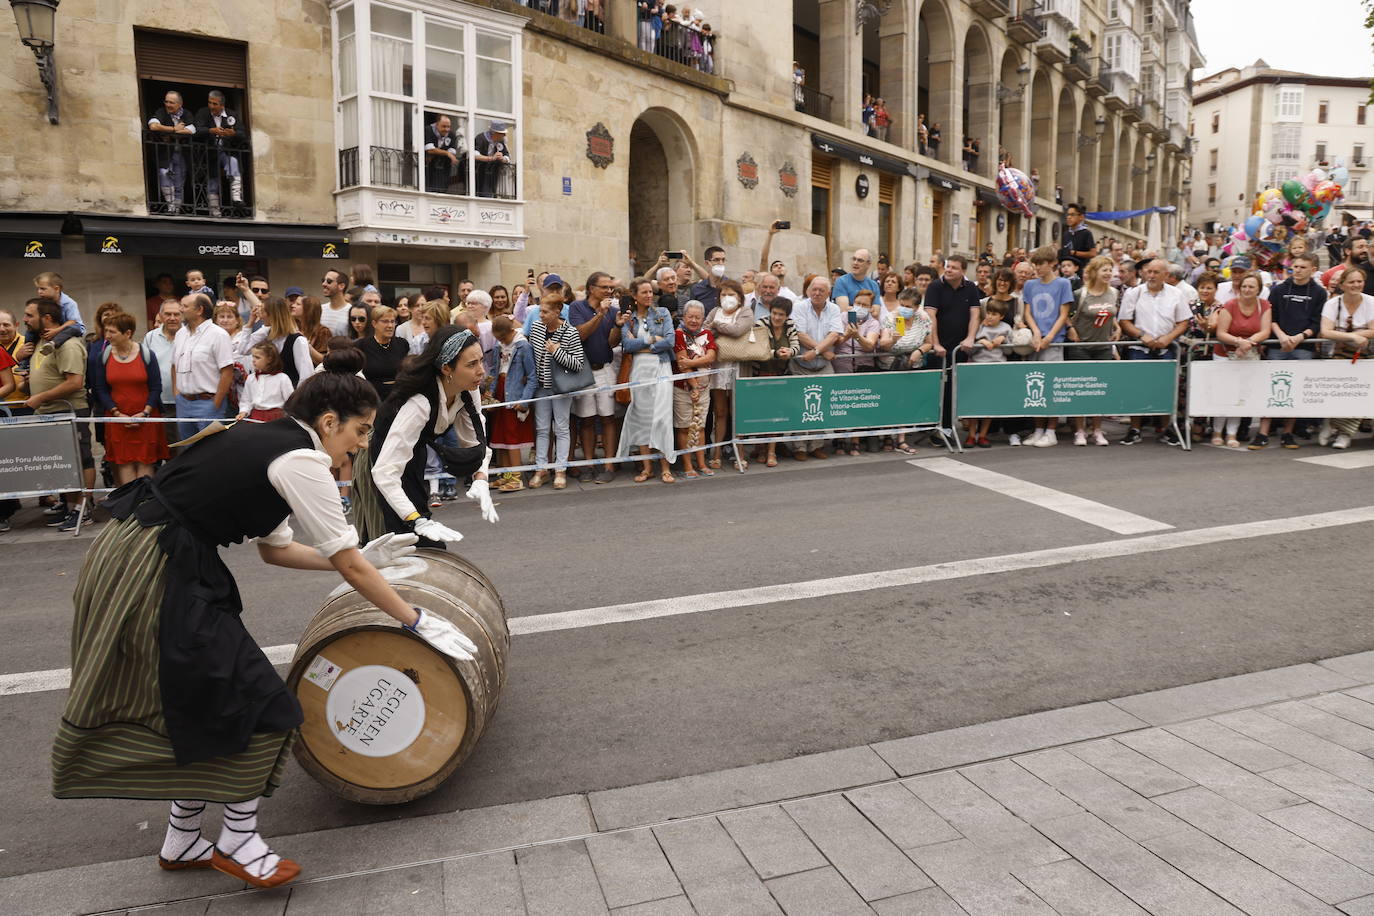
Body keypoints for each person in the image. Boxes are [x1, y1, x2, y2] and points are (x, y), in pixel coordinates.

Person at [52, 354, 478, 890]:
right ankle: (237, 840)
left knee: (208, 698)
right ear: (329, 421)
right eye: (361, 430)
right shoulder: (301, 460)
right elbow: (345, 564)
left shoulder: (271, 440)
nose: (363, 443)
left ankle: (183, 839)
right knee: (258, 701)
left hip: (144, 554)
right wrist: (414, 619)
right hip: (155, 567)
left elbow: (276, 552)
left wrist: (365, 554)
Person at [351, 326, 497, 548]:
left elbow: (476, 442)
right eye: (471, 364)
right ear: (447, 368)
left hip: (413, 453)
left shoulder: (469, 387)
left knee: (421, 537)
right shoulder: (419, 403)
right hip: (380, 457)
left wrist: (481, 478)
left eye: (480, 361)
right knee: (396, 540)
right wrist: (415, 519)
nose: (481, 371)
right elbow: (384, 472)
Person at [88, 310, 167, 486]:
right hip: (117, 418)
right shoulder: (104, 356)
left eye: (112, 332)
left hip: (145, 417)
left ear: (128, 333)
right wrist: (117, 414)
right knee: (124, 463)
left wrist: (145, 413)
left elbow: (156, 387)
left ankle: (143, 507)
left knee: (145, 462)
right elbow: (100, 389)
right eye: (106, 330)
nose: (106, 336)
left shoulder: (146, 354)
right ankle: (129, 508)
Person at [1253, 254, 1324, 449]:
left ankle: (1288, 432)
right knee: (1270, 388)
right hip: (1278, 345)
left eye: (1303, 267)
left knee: (1295, 389)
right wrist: (1282, 336)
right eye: (1296, 266)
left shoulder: (1319, 292)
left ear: (1313, 269)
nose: (1298, 270)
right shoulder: (1279, 289)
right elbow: (1271, 316)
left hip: (1303, 346)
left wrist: (1300, 336)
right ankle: (1262, 432)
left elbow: (1317, 322)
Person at [1118, 259, 1190, 445]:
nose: (1151, 276)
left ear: (1166, 275)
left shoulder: (1176, 294)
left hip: (1166, 347)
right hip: (1139, 347)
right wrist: (1142, 335)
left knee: (1166, 389)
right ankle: (1135, 429)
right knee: (1137, 389)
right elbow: (1124, 321)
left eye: (1156, 272)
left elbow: (1183, 322)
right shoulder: (1134, 294)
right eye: (1148, 272)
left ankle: (1166, 428)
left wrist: (1168, 338)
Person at [616, 278, 677, 483]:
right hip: (639, 371)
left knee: (662, 417)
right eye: (644, 292)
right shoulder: (629, 319)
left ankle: (665, 467)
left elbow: (669, 341)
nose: (649, 295)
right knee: (641, 417)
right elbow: (627, 344)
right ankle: (647, 467)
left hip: (661, 367)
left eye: (651, 292)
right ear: (635, 295)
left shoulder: (663, 313)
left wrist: (642, 345)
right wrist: (651, 340)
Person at [568, 271, 623, 483]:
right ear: (591, 288)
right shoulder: (577, 307)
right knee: (587, 419)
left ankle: (609, 465)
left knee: (608, 417)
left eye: (610, 287)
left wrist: (617, 325)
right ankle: (589, 464)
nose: (609, 291)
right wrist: (600, 314)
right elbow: (580, 334)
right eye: (604, 287)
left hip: (605, 369)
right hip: (583, 371)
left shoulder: (613, 310)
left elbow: (611, 342)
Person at [528, 292, 586, 489]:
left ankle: (560, 470)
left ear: (557, 311)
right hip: (541, 387)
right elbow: (530, 357)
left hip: (561, 388)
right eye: (540, 311)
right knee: (542, 428)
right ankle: (541, 468)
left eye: (545, 312)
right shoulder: (536, 328)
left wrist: (556, 352)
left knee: (561, 427)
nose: (541, 315)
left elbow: (578, 364)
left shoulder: (570, 332)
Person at [923, 256, 983, 442]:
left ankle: (947, 428)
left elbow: (975, 315)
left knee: (951, 390)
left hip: (960, 347)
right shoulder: (935, 287)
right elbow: (930, 316)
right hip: (939, 347)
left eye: (954, 268)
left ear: (963, 271)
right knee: (936, 388)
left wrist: (970, 338)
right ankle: (932, 427)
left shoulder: (971, 288)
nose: (948, 270)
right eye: (948, 267)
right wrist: (936, 343)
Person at [1021, 246, 1075, 447]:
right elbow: (1028, 312)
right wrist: (1036, 333)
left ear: (1052, 263)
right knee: (1035, 387)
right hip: (1035, 342)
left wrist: (1050, 336)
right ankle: (1038, 430)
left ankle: (1051, 431)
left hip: (1054, 342)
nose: (1037, 268)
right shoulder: (1030, 285)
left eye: (1041, 264)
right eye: (1035, 264)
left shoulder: (1063, 284)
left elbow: (1063, 314)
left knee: (1051, 387)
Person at [1211, 273, 1272, 448]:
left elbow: (1265, 331)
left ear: (1258, 290)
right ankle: (1217, 431)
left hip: (1248, 353)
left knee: (1239, 394)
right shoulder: (1230, 305)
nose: (1247, 290)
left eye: (1251, 287)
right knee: (1223, 393)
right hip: (1225, 353)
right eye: (1244, 286)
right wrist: (1239, 341)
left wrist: (1248, 343)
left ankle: (1232, 433)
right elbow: (1221, 332)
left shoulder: (1264, 305)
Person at [1319, 267, 1374, 449]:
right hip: (1338, 352)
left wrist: (1357, 336)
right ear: (1342, 285)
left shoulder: (1371, 302)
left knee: (1357, 393)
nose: (1356, 285)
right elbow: (1326, 331)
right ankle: (1330, 423)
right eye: (1351, 282)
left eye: (1359, 281)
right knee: (1338, 390)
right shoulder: (1333, 304)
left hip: (1365, 353)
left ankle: (1345, 434)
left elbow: (1373, 330)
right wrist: (1352, 337)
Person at [1067, 256, 1119, 446]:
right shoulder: (1081, 293)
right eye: (1104, 269)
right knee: (1081, 389)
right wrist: (1070, 329)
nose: (1108, 273)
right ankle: (1079, 430)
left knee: (1100, 390)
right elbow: (1065, 314)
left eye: (1110, 270)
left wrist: (1117, 327)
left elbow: (1110, 313)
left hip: (1103, 347)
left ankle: (1097, 430)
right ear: (1094, 272)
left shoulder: (1113, 292)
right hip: (1081, 347)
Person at [790, 276, 844, 459]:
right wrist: (821, 350)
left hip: (823, 365)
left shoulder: (834, 309)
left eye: (822, 290)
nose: (817, 293)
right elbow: (799, 333)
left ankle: (816, 445)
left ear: (829, 293)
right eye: (814, 289)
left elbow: (834, 334)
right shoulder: (799, 307)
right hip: (800, 364)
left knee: (823, 404)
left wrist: (817, 351)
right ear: (807, 291)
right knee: (800, 405)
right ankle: (799, 447)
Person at [171, 293, 235, 444]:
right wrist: (177, 394)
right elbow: (174, 365)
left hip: (208, 403)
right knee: (188, 451)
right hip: (183, 403)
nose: (180, 309)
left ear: (199, 310)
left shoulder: (218, 334)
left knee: (210, 452)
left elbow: (227, 371)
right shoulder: (180, 334)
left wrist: (216, 403)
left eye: (185, 306)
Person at [484, 314, 536, 492]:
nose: (501, 341)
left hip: (514, 394)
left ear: (512, 331)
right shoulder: (500, 345)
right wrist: (490, 391)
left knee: (512, 437)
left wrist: (524, 401)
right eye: (498, 338)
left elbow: (532, 377)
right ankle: (505, 475)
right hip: (500, 392)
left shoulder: (523, 346)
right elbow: (494, 369)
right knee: (500, 437)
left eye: (504, 337)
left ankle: (516, 477)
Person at [672, 301, 717, 477]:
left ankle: (701, 463)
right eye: (690, 316)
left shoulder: (707, 334)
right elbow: (682, 364)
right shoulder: (678, 335)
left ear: (703, 319)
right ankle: (688, 465)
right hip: (683, 388)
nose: (693, 320)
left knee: (700, 427)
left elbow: (711, 356)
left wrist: (692, 362)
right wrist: (694, 386)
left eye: (697, 317)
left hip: (704, 387)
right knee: (684, 427)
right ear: (684, 317)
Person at [963, 299, 1011, 448]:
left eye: (994, 314)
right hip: (978, 367)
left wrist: (1003, 340)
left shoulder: (1006, 328)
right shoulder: (979, 327)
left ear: (1001, 316)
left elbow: (1010, 351)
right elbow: (968, 349)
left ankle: (983, 435)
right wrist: (981, 341)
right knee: (975, 404)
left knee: (988, 404)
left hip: (996, 369)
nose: (990, 316)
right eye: (988, 313)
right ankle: (971, 435)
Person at [194, 90, 245, 215]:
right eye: (210, 103)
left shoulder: (231, 115)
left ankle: (236, 197)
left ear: (222, 105)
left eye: (215, 104)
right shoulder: (203, 112)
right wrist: (211, 130)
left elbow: (243, 134)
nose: (211, 106)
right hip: (208, 153)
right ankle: (215, 210)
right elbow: (196, 130)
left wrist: (233, 133)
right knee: (213, 180)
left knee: (233, 162)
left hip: (226, 151)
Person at [147, 90, 196, 213]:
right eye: (166, 101)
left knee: (179, 181)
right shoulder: (161, 112)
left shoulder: (187, 114)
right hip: (166, 153)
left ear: (180, 104)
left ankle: (177, 209)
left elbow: (192, 130)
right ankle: (171, 205)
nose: (168, 104)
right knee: (164, 173)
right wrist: (174, 129)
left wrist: (168, 132)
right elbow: (153, 125)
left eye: (171, 102)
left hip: (182, 154)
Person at [357, 305, 409, 400]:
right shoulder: (362, 345)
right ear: (374, 324)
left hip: (399, 396)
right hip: (373, 397)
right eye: (385, 321)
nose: (390, 326)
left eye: (392, 322)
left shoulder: (402, 344)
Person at [235, 342, 295, 423]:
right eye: (253, 357)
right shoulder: (251, 378)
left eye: (257, 357)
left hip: (276, 417)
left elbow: (291, 401)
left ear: (269, 359)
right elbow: (246, 400)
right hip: (255, 416)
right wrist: (243, 412)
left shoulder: (282, 378)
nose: (253, 360)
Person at [424, 114, 465, 194]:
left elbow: (452, 153)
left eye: (448, 126)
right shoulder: (428, 130)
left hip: (443, 171)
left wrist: (437, 152)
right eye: (444, 126)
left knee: (441, 191)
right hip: (428, 169)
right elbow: (429, 149)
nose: (447, 129)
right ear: (437, 124)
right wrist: (446, 153)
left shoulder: (451, 135)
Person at [474, 121, 513, 198]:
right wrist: (491, 158)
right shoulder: (480, 138)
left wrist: (502, 158)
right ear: (495, 133)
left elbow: (507, 157)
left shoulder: (501, 142)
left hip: (494, 174)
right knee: (483, 194)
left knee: (492, 193)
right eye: (502, 133)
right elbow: (474, 155)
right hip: (480, 173)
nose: (504, 135)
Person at [1059, 203, 1097, 269]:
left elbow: (1092, 253)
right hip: (1066, 271)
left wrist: (1074, 253)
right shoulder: (1066, 234)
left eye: (1072, 215)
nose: (1069, 217)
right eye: (1068, 214)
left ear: (1081, 217)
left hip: (1081, 270)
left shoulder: (1086, 233)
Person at [319, 269, 350, 336]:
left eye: (329, 281)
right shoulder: (320, 309)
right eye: (323, 280)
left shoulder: (351, 311)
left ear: (341, 286)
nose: (323, 284)